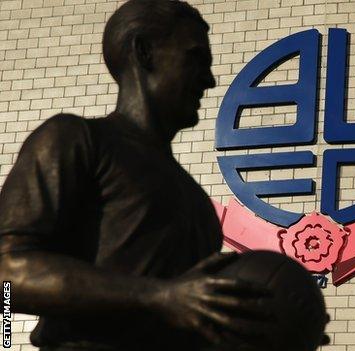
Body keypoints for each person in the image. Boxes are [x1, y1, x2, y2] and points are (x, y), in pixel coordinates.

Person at [0, 1, 283, 350]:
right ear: (144, 52)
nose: (209, 81)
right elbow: (7, 275)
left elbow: (189, 316)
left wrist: (271, 327)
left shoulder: (197, 202)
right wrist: (158, 296)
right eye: (196, 58)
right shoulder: (73, 139)